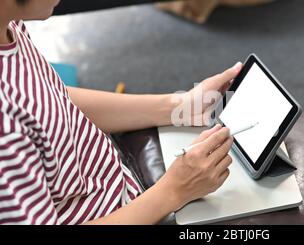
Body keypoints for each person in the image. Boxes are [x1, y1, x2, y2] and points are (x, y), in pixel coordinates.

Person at [0, 0, 243, 224]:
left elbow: (49, 98)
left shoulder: (8, 26)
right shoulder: (4, 126)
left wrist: (179, 107)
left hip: (123, 189)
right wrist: (174, 190)